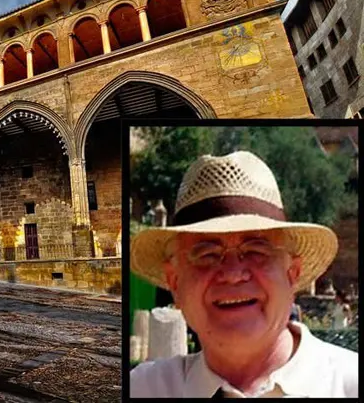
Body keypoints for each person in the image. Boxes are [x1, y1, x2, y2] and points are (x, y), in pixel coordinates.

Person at [130, 151, 358, 398]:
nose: (233, 274)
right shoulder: (143, 389)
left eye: (256, 250)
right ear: (175, 282)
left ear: (292, 273)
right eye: (207, 254)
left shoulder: (349, 383)